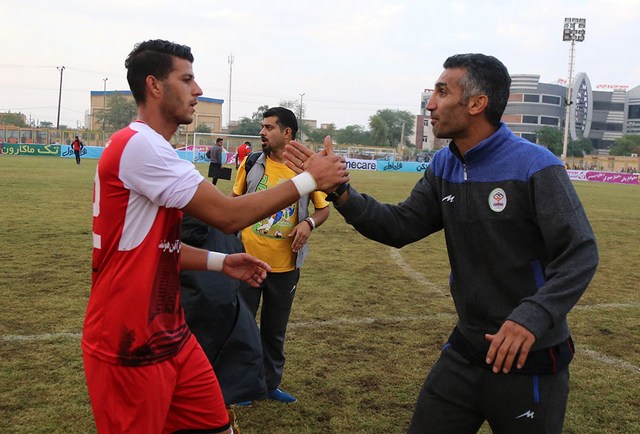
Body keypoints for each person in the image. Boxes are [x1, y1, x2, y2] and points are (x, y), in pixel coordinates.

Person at [286, 53, 599, 433]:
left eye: (441, 91)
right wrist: (341, 193)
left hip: (530, 356)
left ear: (476, 103)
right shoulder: (444, 165)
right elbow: (399, 226)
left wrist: (531, 317)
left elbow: (580, 252)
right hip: (467, 347)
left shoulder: (535, 166)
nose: (430, 103)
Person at [82, 39, 348, 434]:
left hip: (170, 331)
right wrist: (311, 178)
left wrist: (220, 261)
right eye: (187, 79)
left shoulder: (150, 148)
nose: (198, 90)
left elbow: (155, 248)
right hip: (129, 338)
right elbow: (227, 215)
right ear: (154, 86)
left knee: (217, 425)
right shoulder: (141, 146)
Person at [230, 107, 330, 405]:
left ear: (287, 133)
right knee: (242, 327)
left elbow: (323, 209)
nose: (262, 132)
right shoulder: (251, 163)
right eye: (262, 126)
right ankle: (243, 388)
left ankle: (270, 384)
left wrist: (308, 223)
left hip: (285, 266)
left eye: (269, 127)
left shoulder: (306, 171)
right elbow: (234, 204)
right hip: (246, 262)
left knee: (274, 331)